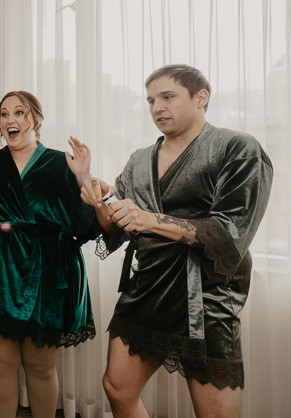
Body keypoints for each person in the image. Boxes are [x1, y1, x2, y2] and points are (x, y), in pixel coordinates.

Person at [80, 65, 273, 418]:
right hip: (147, 288)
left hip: (206, 297)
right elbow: (115, 234)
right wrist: (99, 205)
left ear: (202, 98)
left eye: (168, 97)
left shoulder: (238, 148)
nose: (157, 107)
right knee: (116, 388)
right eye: (151, 100)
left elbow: (230, 235)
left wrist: (150, 218)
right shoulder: (139, 160)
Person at [0, 91, 97, 418]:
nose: (10, 120)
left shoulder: (63, 162)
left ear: (35, 118)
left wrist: (83, 177)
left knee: (40, 367)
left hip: (47, 275)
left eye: (19, 112)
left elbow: (83, 227)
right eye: (4, 114)